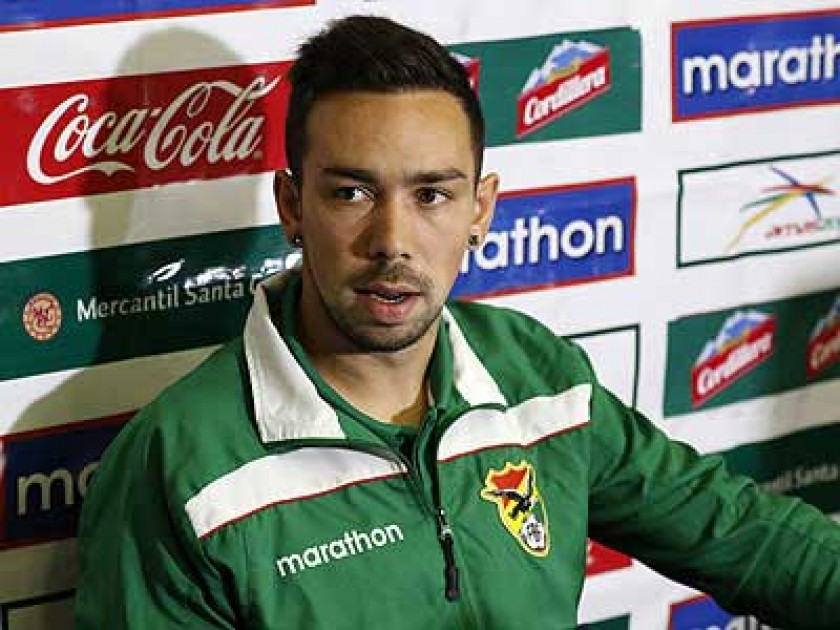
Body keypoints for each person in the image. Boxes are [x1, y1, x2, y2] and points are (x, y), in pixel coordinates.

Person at [74, 14, 840, 629]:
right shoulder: (179, 466)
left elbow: (743, 535)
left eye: (432, 195)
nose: (392, 241)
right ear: (292, 206)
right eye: (350, 193)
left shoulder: (533, 374)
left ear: (481, 210)